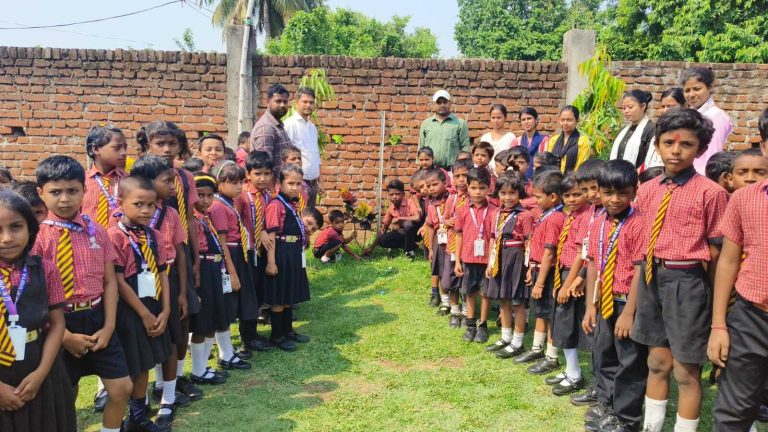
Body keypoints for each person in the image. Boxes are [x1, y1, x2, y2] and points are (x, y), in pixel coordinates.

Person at [632, 109, 729, 432]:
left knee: (686, 371)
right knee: (657, 362)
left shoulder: (710, 193)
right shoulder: (647, 189)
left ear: (700, 149)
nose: (676, 150)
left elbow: (717, 251)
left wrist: (717, 304)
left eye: (686, 144)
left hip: (687, 281)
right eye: (668, 142)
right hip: (651, 276)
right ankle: (652, 426)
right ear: (657, 145)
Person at [33, 156, 130, 432]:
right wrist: (64, 337)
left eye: (72, 191)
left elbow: (110, 282)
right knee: (66, 393)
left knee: (121, 387)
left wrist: (109, 326)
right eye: (55, 192)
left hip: (98, 318)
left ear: (84, 190)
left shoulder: (97, 230)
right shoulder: (37, 237)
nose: (65, 199)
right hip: (57, 324)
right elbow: (34, 293)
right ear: (41, 193)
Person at [0, 189, 76, 432]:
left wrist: (41, 374)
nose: (7, 238)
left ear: (31, 228)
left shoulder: (46, 269)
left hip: (39, 367)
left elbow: (57, 323)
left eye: (16, 227)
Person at [130, 156, 200, 419]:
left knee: (174, 338)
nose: (173, 185)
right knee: (145, 339)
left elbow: (180, 251)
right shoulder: (127, 214)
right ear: (147, 183)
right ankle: (142, 400)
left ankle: (168, 398)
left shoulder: (170, 213)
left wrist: (182, 292)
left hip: (169, 279)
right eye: (167, 181)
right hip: (138, 284)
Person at [582, 160, 649, 432]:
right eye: (608, 193)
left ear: (635, 190)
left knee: (629, 362)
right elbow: (592, 264)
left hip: (626, 302)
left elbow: (640, 271)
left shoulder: (638, 223)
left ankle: (627, 419)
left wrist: (630, 313)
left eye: (622, 193)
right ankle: (607, 404)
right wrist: (590, 306)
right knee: (604, 354)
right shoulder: (598, 222)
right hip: (603, 299)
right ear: (598, 191)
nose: (614, 199)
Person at [709, 147, 768, 431]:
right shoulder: (746, 199)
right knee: (734, 410)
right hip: (752, 316)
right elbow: (729, 261)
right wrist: (719, 325)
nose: (750, 178)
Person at [108, 176, 173, 432]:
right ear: (121, 202)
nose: (145, 210)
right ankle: (125, 417)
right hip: (131, 309)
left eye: (150, 205)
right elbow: (118, 280)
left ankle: (138, 417)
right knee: (133, 362)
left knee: (146, 360)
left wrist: (165, 310)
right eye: (138, 204)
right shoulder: (115, 236)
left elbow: (163, 273)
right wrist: (144, 314)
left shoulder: (153, 235)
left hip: (154, 303)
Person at [136, 121, 201, 363]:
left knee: (182, 316)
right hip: (146, 255)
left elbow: (191, 220)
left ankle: (178, 375)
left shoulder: (184, 178)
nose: (166, 149)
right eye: (159, 143)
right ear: (148, 145)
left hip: (178, 251)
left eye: (172, 144)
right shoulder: (139, 179)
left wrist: (195, 257)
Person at [544, 173, 591, 394]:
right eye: (567, 195)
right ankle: (570, 369)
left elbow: (580, 255)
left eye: (577, 194)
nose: (572, 199)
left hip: (571, 276)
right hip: (562, 272)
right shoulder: (570, 216)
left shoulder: (585, 217)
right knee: (562, 324)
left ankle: (575, 374)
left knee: (568, 325)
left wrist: (566, 284)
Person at [516, 171, 566, 370]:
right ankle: (537, 347)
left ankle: (551, 356)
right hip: (538, 269)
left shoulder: (555, 219)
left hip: (548, 273)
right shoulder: (546, 215)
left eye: (538, 197)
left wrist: (540, 282)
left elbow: (549, 254)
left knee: (550, 313)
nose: (535, 201)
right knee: (540, 312)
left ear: (553, 197)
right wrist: (532, 270)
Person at [208, 160, 254, 368]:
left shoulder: (229, 202)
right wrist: (233, 272)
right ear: (220, 182)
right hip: (229, 256)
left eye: (241, 182)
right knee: (226, 306)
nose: (239, 187)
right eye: (233, 182)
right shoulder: (218, 206)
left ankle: (228, 351)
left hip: (238, 253)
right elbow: (222, 243)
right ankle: (225, 353)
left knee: (231, 305)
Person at [485, 172, 534, 360]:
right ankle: (506, 337)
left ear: (519, 193)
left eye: (512, 193)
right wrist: (491, 261)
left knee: (517, 301)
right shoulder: (496, 214)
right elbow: (492, 238)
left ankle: (518, 341)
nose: (507, 197)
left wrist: (528, 267)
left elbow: (530, 240)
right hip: (499, 257)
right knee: (503, 299)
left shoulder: (525, 215)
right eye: (503, 193)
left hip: (517, 259)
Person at [264, 164, 312, 352]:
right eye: (290, 183)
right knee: (279, 295)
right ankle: (277, 335)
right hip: (281, 252)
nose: (294, 187)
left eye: (298, 184)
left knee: (288, 293)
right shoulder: (276, 205)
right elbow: (272, 235)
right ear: (279, 184)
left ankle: (288, 331)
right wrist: (271, 261)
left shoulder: (293, 203)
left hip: (293, 252)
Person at [188, 174, 229, 387]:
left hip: (214, 269)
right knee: (202, 324)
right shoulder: (192, 220)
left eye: (209, 195)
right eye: (200, 195)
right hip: (203, 269)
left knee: (212, 321)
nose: (205, 200)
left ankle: (203, 366)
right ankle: (197, 369)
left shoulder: (207, 217)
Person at [236, 150, 275, 351]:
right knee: (248, 294)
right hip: (247, 251)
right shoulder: (242, 196)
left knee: (259, 291)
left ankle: (253, 332)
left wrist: (265, 231)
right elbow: (237, 220)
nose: (262, 178)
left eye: (267, 174)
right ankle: (247, 337)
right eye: (258, 173)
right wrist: (256, 233)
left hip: (263, 251)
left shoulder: (269, 196)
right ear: (248, 173)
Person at [453, 167, 497, 343]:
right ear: (467, 187)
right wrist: (457, 261)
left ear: (489, 188)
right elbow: (459, 235)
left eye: (482, 188)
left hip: (487, 260)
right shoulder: (462, 210)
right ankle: (470, 325)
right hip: (469, 258)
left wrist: (492, 262)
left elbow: (494, 237)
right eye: (473, 188)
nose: (477, 192)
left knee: (485, 293)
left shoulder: (495, 210)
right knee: (470, 292)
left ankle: (483, 326)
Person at [681, 67, 734, 174]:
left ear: (709, 88)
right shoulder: (688, 115)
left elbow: (712, 153)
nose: (691, 95)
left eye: (697, 89)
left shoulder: (717, 116)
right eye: (687, 90)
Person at [442, 159, 472, 326]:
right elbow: (444, 219)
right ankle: (455, 310)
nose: (461, 179)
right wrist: (448, 222)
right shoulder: (451, 199)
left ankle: (468, 311)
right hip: (453, 245)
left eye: (465, 176)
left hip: (469, 246)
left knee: (467, 281)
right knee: (451, 280)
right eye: (457, 176)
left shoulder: (473, 198)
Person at [362, 179, 422, 256]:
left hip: (416, 232)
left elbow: (417, 218)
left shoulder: (409, 202)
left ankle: (409, 251)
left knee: (408, 224)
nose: (394, 197)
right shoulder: (391, 208)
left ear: (403, 194)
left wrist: (400, 218)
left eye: (397, 194)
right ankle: (411, 246)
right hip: (403, 233)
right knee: (382, 240)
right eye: (391, 194)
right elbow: (384, 228)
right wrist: (371, 248)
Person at [83, 126, 127, 229]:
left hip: (120, 242)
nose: (124, 152)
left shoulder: (128, 181)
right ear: (95, 149)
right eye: (117, 148)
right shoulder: (81, 181)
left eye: (125, 147)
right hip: (90, 241)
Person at [284, 87, 322, 209]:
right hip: (298, 182)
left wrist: (319, 181)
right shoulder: (290, 124)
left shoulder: (312, 128)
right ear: (296, 102)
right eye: (305, 102)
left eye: (311, 102)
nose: (308, 105)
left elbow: (315, 155)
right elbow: (285, 155)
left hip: (313, 183)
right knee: (298, 218)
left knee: (309, 221)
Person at [418, 90, 470, 169]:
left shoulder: (460, 123)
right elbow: (421, 146)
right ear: (434, 104)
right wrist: (419, 167)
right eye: (439, 102)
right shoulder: (426, 123)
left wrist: (464, 167)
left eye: (445, 102)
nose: (442, 105)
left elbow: (465, 147)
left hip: (452, 169)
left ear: (450, 103)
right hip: (430, 170)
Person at [251, 83, 292, 175]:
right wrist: (271, 189)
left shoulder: (277, 125)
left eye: (285, 102)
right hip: (273, 187)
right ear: (268, 102)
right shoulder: (266, 128)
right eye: (278, 101)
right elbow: (263, 167)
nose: (282, 105)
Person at [611, 90, 655, 169]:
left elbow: (650, 160)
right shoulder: (623, 130)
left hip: (639, 178)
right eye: (624, 108)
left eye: (630, 107)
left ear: (643, 106)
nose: (626, 111)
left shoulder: (652, 129)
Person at [644, 88, 687, 170]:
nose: (665, 110)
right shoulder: (660, 128)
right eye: (662, 106)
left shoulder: (685, 132)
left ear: (684, 106)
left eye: (670, 107)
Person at [546, 106, 591, 173]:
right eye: (562, 120)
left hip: (572, 181)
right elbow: (548, 163)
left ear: (577, 120)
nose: (565, 123)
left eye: (569, 120)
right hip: (553, 180)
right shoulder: (553, 140)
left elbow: (581, 167)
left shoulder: (583, 141)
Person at [480, 104, 518, 173]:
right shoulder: (485, 138)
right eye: (493, 118)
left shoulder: (511, 137)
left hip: (505, 175)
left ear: (505, 118)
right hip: (486, 174)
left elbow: (513, 159)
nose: (496, 121)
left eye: (499, 117)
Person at [518, 107, 549, 179]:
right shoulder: (518, 141)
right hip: (520, 180)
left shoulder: (544, 140)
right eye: (523, 120)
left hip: (538, 179)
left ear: (536, 120)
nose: (526, 122)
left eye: (529, 118)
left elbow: (545, 163)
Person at [280, 146, 311, 213]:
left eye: (299, 158)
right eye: (293, 159)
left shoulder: (304, 185)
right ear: (283, 162)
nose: (297, 161)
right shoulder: (281, 186)